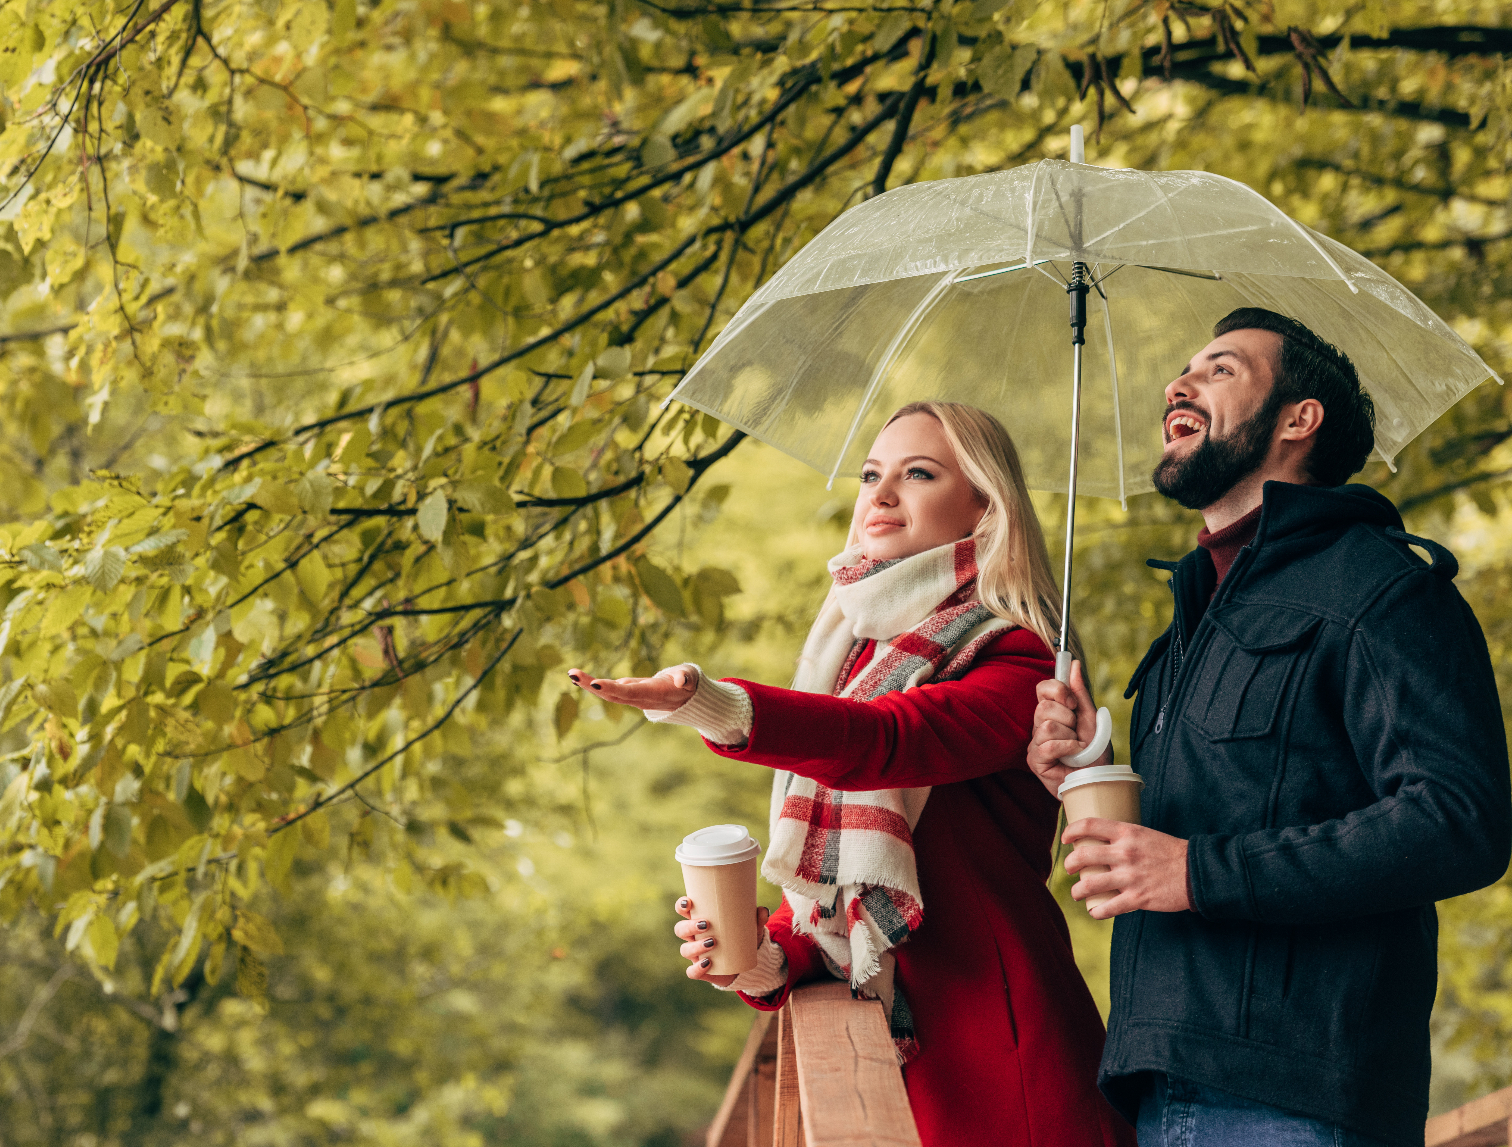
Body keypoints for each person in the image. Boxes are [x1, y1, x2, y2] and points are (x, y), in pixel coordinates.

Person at [568, 401, 1135, 1147]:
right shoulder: (856, 655)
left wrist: (710, 704)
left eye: (919, 473)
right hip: (893, 1056)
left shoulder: (1022, 661)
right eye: (873, 474)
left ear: (983, 507)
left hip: (1002, 1056)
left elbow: (882, 744)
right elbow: (838, 895)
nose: (882, 494)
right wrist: (756, 955)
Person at [1028, 307, 1511, 1147]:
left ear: (1299, 419)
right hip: (1160, 1074)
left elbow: (1459, 821)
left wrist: (1199, 873)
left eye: (1220, 369)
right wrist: (1084, 771)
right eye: (1183, 369)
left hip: (1296, 1095)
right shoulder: (1198, 614)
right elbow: (1218, 810)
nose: (1179, 383)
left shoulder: (1383, 591)